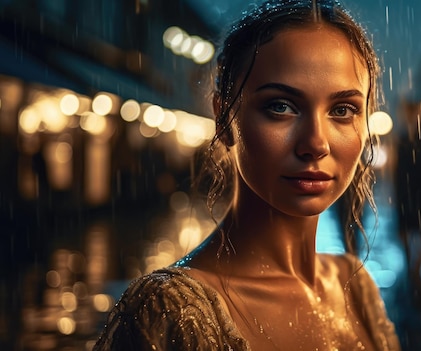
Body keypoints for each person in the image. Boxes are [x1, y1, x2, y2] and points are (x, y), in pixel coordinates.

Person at [94, 0, 401, 349]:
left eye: (343, 109)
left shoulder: (355, 286)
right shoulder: (171, 312)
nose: (315, 143)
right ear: (224, 119)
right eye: (281, 107)